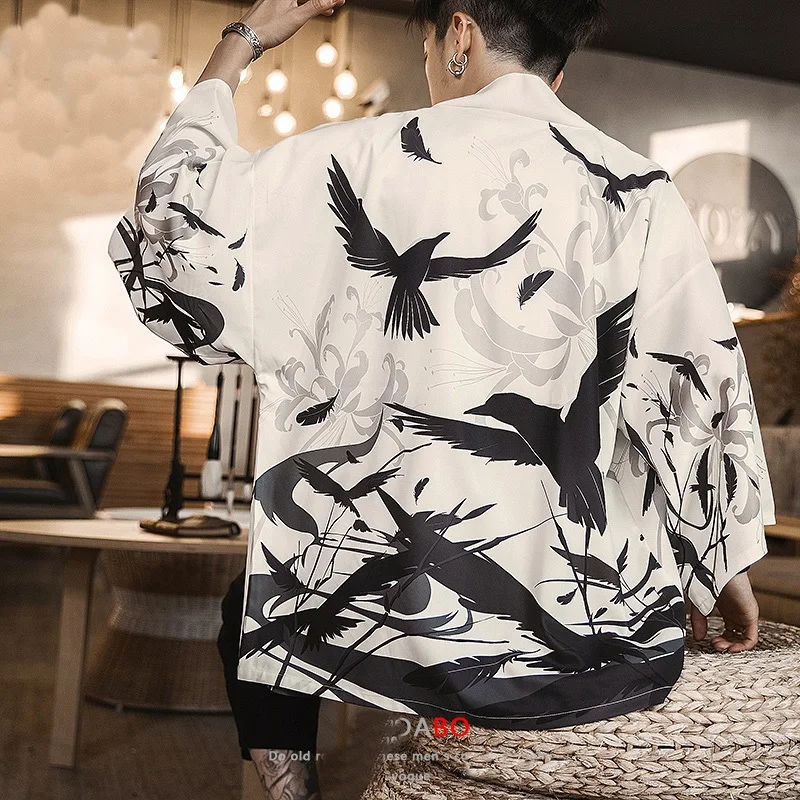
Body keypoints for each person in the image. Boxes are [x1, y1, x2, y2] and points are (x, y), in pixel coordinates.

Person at [107, 1, 776, 797]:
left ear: (458, 35)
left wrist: (242, 41)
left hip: (388, 626)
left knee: (264, 610)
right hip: (585, 645)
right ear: (557, 72)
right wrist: (724, 566)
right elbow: (695, 387)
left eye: (427, 49)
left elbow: (168, 224)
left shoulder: (351, 155)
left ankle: (299, 787)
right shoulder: (637, 189)